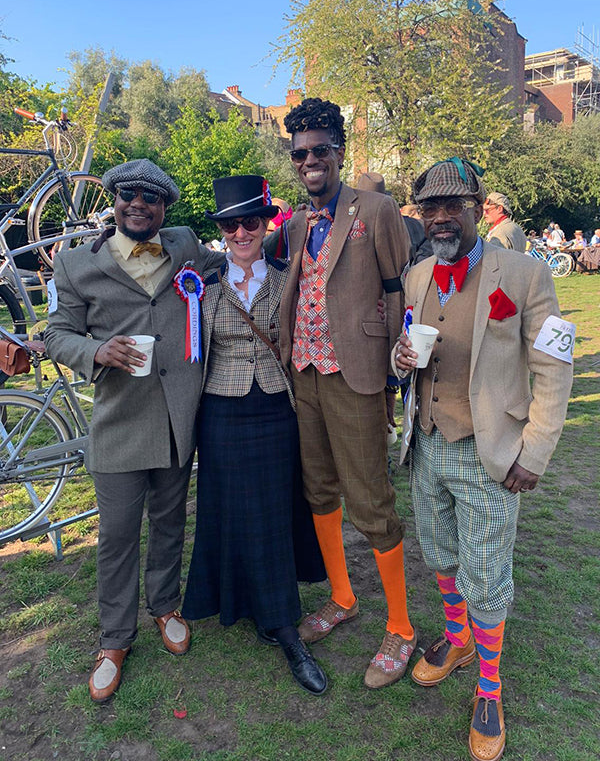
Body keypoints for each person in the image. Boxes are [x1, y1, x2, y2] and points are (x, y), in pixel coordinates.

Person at [393, 158, 573, 761]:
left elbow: (555, 365)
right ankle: (456, 637)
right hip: (428, 444)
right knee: (439, 552)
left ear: (475, 207)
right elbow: (415, 350)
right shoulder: (418, 276)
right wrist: (401, 358)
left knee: (488, 573)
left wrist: (538, 449)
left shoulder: (524, 274)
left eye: (453, 205)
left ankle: (489, 689)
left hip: (491, 451)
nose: (440, 217)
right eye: (429, 207)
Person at [44, 159, 224, 703]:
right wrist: (94, 350)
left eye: (150, 196)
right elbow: (55, 333)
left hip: (177, 417)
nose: (138, 204)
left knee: (170, 523)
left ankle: (164, 606)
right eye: (129, 195)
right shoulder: (76, 265)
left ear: (164, 206)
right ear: (114, 201)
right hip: (119, 422)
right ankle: (114, 638)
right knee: (118, 537)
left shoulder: (187, 244)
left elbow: (235, 261)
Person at [265, 97, 417, 690]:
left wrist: (396, 371)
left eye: (320, 150)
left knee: (370, 501)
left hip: (356, 375)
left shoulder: (375, 210)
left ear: (339, 151)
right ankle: (344, 596)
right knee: (319, 488)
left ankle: (401, 627)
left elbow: (399, 288)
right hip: (303, 374)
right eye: (300, 153)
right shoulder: (298, 222)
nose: (310, 160)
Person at [182, 175, 328, 696]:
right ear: (220, 231)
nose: (242, 232)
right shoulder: (200, 283)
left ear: (266, 224)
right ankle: (244, 601)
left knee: (273, 511)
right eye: (230, 225)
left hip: (274, 409)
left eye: (251, 222)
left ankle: (286, 628)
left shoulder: (290, 277)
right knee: (230, 509)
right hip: (220, 412)